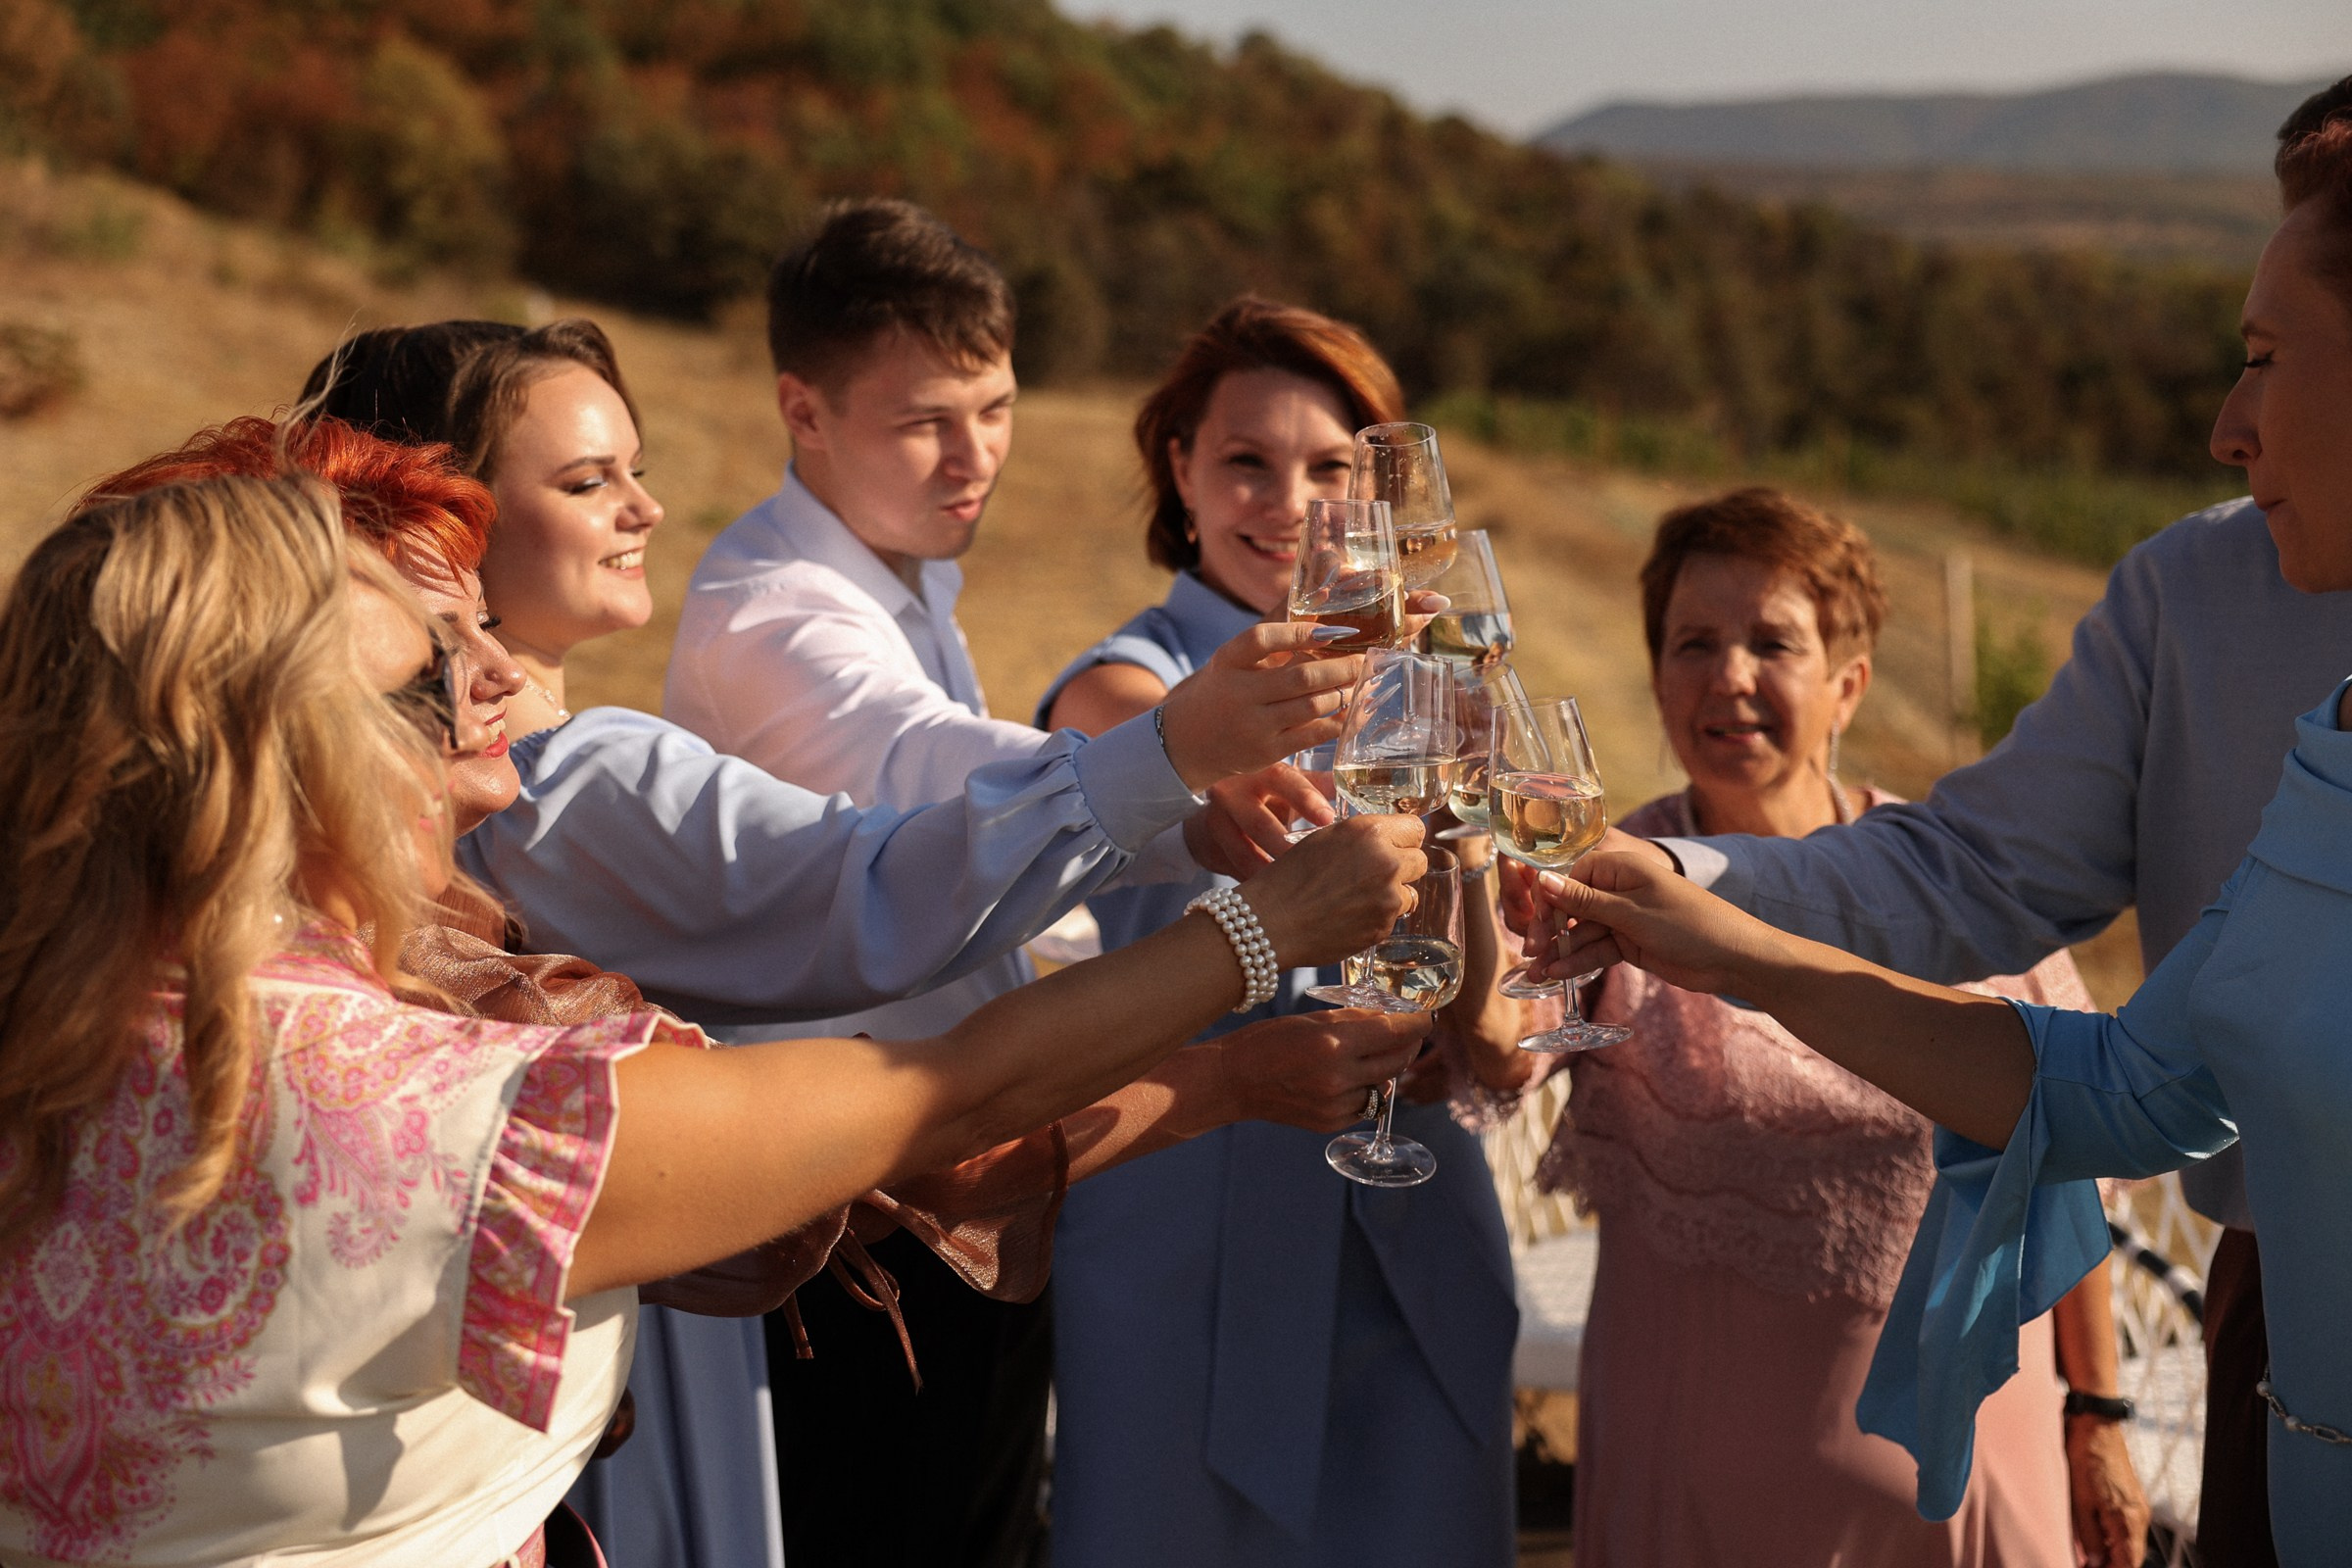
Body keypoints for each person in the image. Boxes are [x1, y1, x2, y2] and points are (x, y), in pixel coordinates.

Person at [85, 407, 1439, 1563]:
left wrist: (1229, 1061)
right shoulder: (446, 1094)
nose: (497, 676)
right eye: (432, 664)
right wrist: (1255, 928)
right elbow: (927, 1086)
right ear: (276, 725)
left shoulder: (96, 1005)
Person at [1521, 101, 2352, 1567]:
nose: (2225, 427)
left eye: (2266, 359)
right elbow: (2121, 1086)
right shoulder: (2319, 746)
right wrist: (1714, 923)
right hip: (2299, 1380)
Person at [662, 204, 1361, 1563]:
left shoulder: (904, 576)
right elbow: (923, 764)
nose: (975, 454)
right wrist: (1184, 766)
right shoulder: (774, 611)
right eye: (925, 421)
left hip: (960, 1187)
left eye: (995, 408)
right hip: (843, 1238)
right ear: (803, 411)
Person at [1546, 487, 2145, 1566]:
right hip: (1690, 1492)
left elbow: (2066, 1154)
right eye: (1694, 643)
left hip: (1967, 1488)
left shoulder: (1958, 886)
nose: (1729, 676)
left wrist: (2098, 1416)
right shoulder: (1611, 891)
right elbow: (1492, 1057)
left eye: (1772, 642)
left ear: (1849, 685)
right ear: (1657, 675)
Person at [1035, 297, 1527, 1566]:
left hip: (1406, 1224)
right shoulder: (1129, 678)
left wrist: (1473, 885)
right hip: (1178, 1239)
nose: (1292, 506)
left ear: (1383, 498)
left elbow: (1493, 1023)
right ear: (1181, 471)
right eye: (1247, 460)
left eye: (1331, 471)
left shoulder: (1433, 682)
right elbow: (1135, 734)